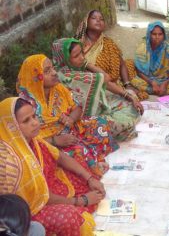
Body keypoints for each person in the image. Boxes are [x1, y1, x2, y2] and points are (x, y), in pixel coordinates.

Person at [0, 97, 105, 235]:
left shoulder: (32, 140)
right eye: (26, 120)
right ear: (10, 126)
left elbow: (60, 156)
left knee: (82, 173)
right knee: (69, 217)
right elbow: (40, 197)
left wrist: (90, 178)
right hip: (29, 212)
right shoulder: (9, 163)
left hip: (48, 188)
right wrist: (81, 201)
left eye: (34, 116)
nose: (35, 123)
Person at [17, 54, 118, 177]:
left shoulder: (58, 88)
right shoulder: (25, 104)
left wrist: (70, 119)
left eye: (53, 68)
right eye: (47, 71)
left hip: (72, 129)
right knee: (77, 151)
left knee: (100, 124)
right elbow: (25, 139)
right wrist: (55, 140)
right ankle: (90, 165)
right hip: (49, 143)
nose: (54, 73)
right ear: (34, 77)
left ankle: (94, 156)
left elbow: (78, 107)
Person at [52, 38, 143, 142]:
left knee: (131, 95)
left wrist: (130, 97)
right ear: (65, 59)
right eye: (76, 56)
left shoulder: (78, 67)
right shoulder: (64, 77)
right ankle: (115, 129)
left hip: (100, 108)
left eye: (82, 52)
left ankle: (117, 128)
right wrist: (87, 64)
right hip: (84, 119)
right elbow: (105, 78)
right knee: (121, 124)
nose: (82, 57)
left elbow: (107, 82)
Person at [74, 9, 148, 100]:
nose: (98, 20)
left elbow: (121, 63)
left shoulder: (108, 43)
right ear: (86, 22)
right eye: (94, 18)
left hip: (111, 81)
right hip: (92, 82)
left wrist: (127, 84)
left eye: (101, 19)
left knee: (130, 64)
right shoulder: (78, 44)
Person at [127, 21, 169, 96]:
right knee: (133, 80)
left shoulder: (168, 49)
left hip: (165, 79)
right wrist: (152, 83)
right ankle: (159, 90)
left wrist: (166, 83)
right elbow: (139, 71)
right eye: (154, 34)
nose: (157, 37)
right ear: (149, 35)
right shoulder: (142, 49)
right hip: (146, 79)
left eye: (160, 34)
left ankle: (158, 89)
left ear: (164, 35)